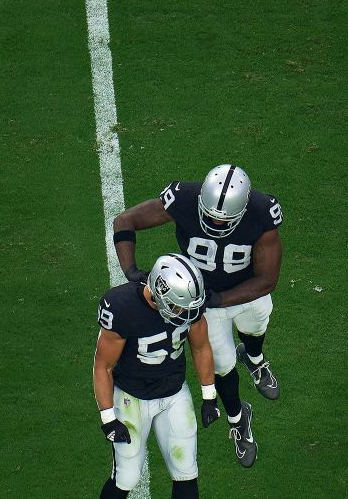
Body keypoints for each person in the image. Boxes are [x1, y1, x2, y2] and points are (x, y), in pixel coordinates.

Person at [111, 164, 282, 468]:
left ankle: (255, 360)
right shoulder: (185, 198)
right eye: (210, 213)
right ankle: (238, 419)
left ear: (242, 209)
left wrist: (223, 298)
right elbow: (125, 221)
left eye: (224, 218)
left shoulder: (261, 211)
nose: (216, 222)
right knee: (222, 365)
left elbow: (267, 279)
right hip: (203, 302)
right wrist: (131, 271)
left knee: (255, 329)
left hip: (246, 292)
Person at [85, 253, 223, 499]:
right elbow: (102, 366)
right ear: (159, 292)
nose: (185, 315)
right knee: (127, 477)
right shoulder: (122, 307)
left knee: (187, 472)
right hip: (131, 398)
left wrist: (209, 395)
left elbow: (201, 347)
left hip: (173, 394)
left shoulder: (187, 304)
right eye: (179, 308)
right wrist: (107, 418)